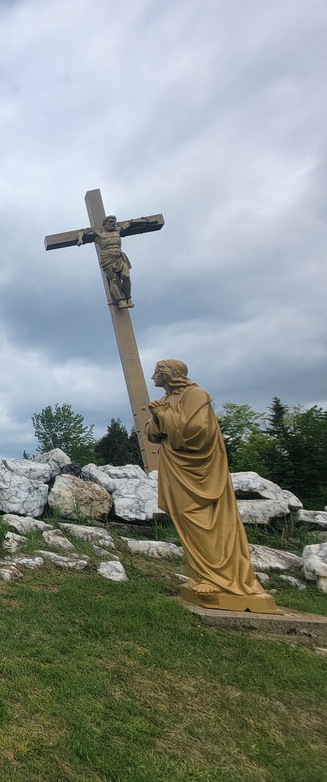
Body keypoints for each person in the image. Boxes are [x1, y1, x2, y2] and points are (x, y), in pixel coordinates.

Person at [145, 360, 277, 612]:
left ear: (169, 375)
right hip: (177, 469)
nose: (152, 377)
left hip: (200, 473)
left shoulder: (196, 395)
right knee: (186, 518)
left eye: (156, 373)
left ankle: (222, 580)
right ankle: (205, 575)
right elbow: (153, 435)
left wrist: (164, 415)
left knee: (204, 519)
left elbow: (197, 433)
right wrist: (156, 415)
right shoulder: (167, 399)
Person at [77, 215, 142, 309]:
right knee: (114, 279)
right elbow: (82, 232)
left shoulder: (117, 231)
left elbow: (130, 223)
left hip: (119, 256)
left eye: (114, 222)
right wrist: (80, 239)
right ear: (104, 224)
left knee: (126, 276)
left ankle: (128, 298)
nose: (113, 224)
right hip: (107, 258)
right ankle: (120, 301)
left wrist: (146, 221)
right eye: (110, 222)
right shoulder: (99, 233)